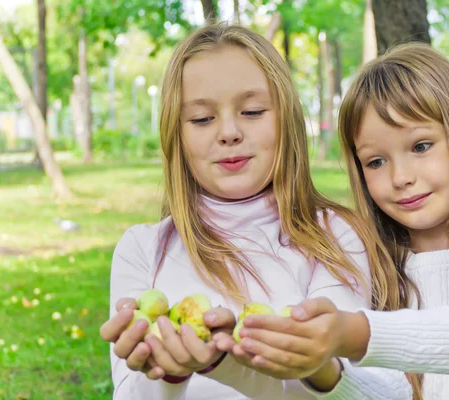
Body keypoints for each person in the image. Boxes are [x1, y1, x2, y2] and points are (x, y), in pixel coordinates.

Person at [233, 43, 449, 399]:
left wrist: (354, 333)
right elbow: (387, 393)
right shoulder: (379, 272)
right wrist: (322, 368)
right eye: (376, 162)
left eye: (420, 146)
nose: (400, 177)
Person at [98, 24, 404, 400]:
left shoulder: (334, 236)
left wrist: (302, 365)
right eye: (201, 119)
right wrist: (168, 375)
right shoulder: (143, 249)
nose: (228, 132)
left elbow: (362, 390)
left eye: (252, 111)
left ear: (286, 121)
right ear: (175, 135)